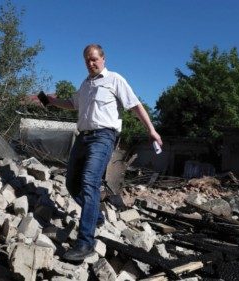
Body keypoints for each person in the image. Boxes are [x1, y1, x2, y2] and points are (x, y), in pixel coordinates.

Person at [46, 44, 162, 261]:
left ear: (103, 59)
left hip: (103, 137)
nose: (90, 63)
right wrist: (50, 101)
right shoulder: (85, 84)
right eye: (87, 60)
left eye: (94, 59)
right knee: (72, 183)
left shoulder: (115, 79)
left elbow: (135, 105)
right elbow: (72, 104)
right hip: (83, 137)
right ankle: (95, 216)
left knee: (89, 182)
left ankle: (85, 243)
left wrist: (152, 130)